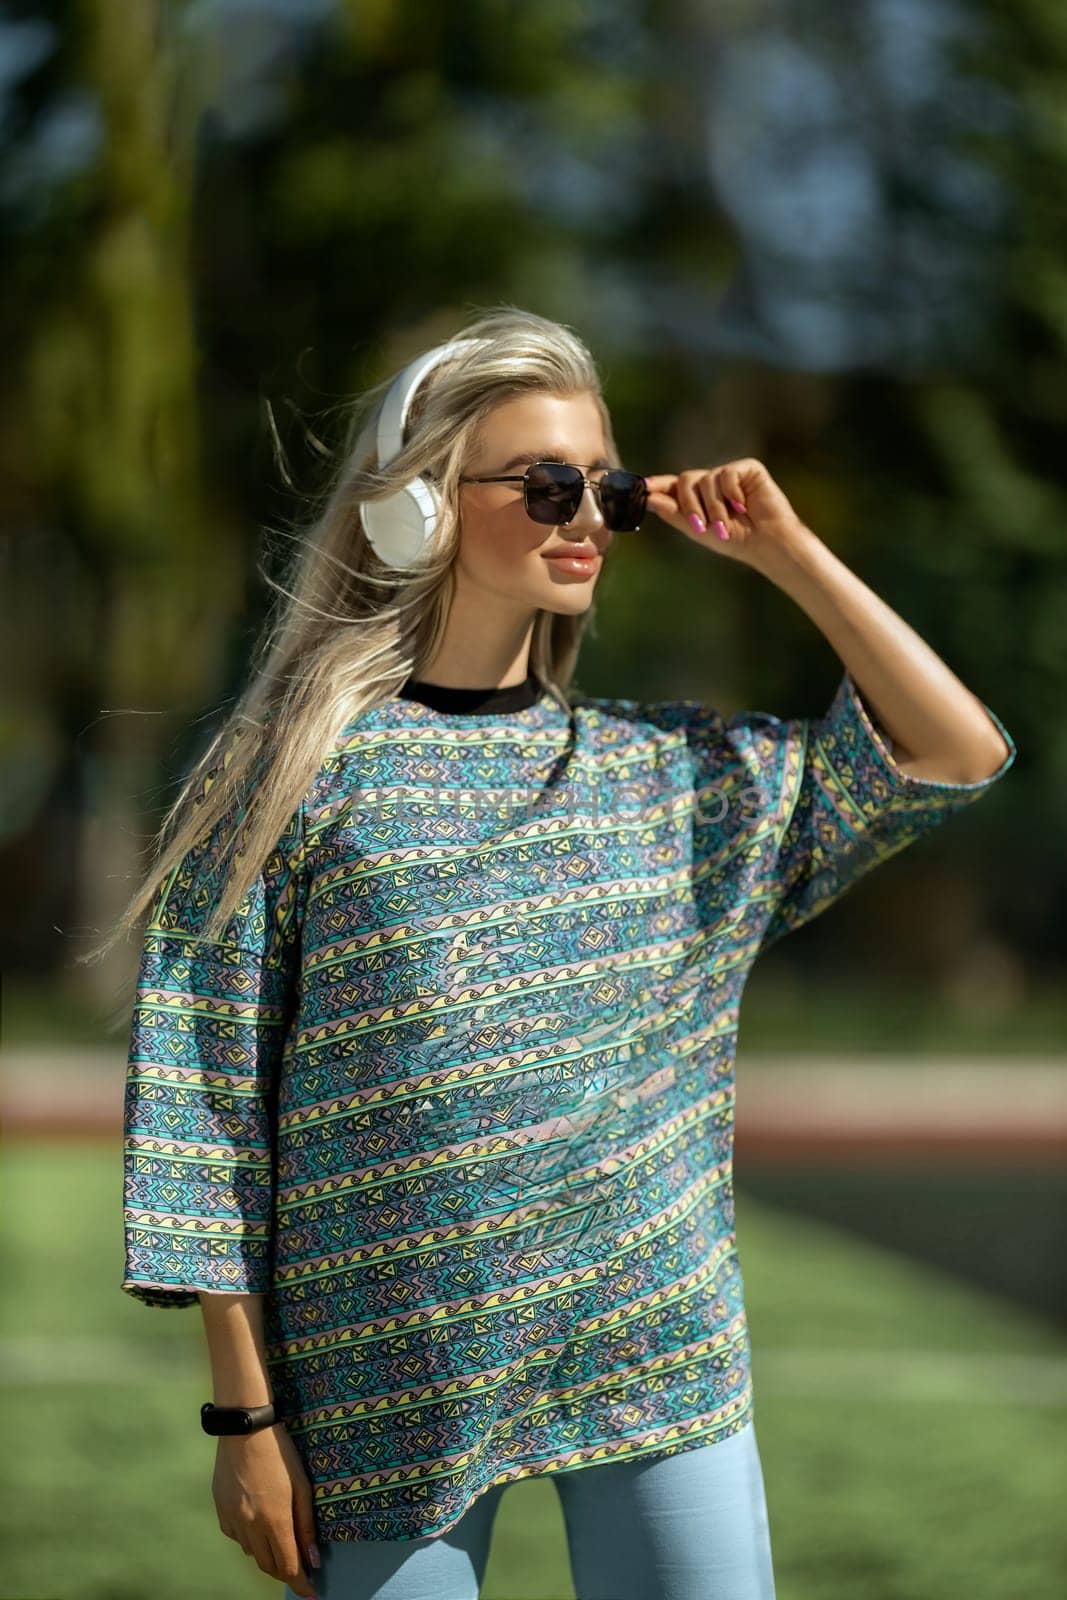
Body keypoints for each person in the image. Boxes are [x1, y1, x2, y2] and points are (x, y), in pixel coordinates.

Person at [107, 307, 1015, 1600]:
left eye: (610, 488)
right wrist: (244, 1421)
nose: (586, 515)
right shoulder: (292, 782)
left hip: (658, 1342)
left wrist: (794, 556)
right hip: (386, 1364)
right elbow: (204, 1105)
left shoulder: (667, 777)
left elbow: (952, 756)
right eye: (545, 485)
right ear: (418, 506)